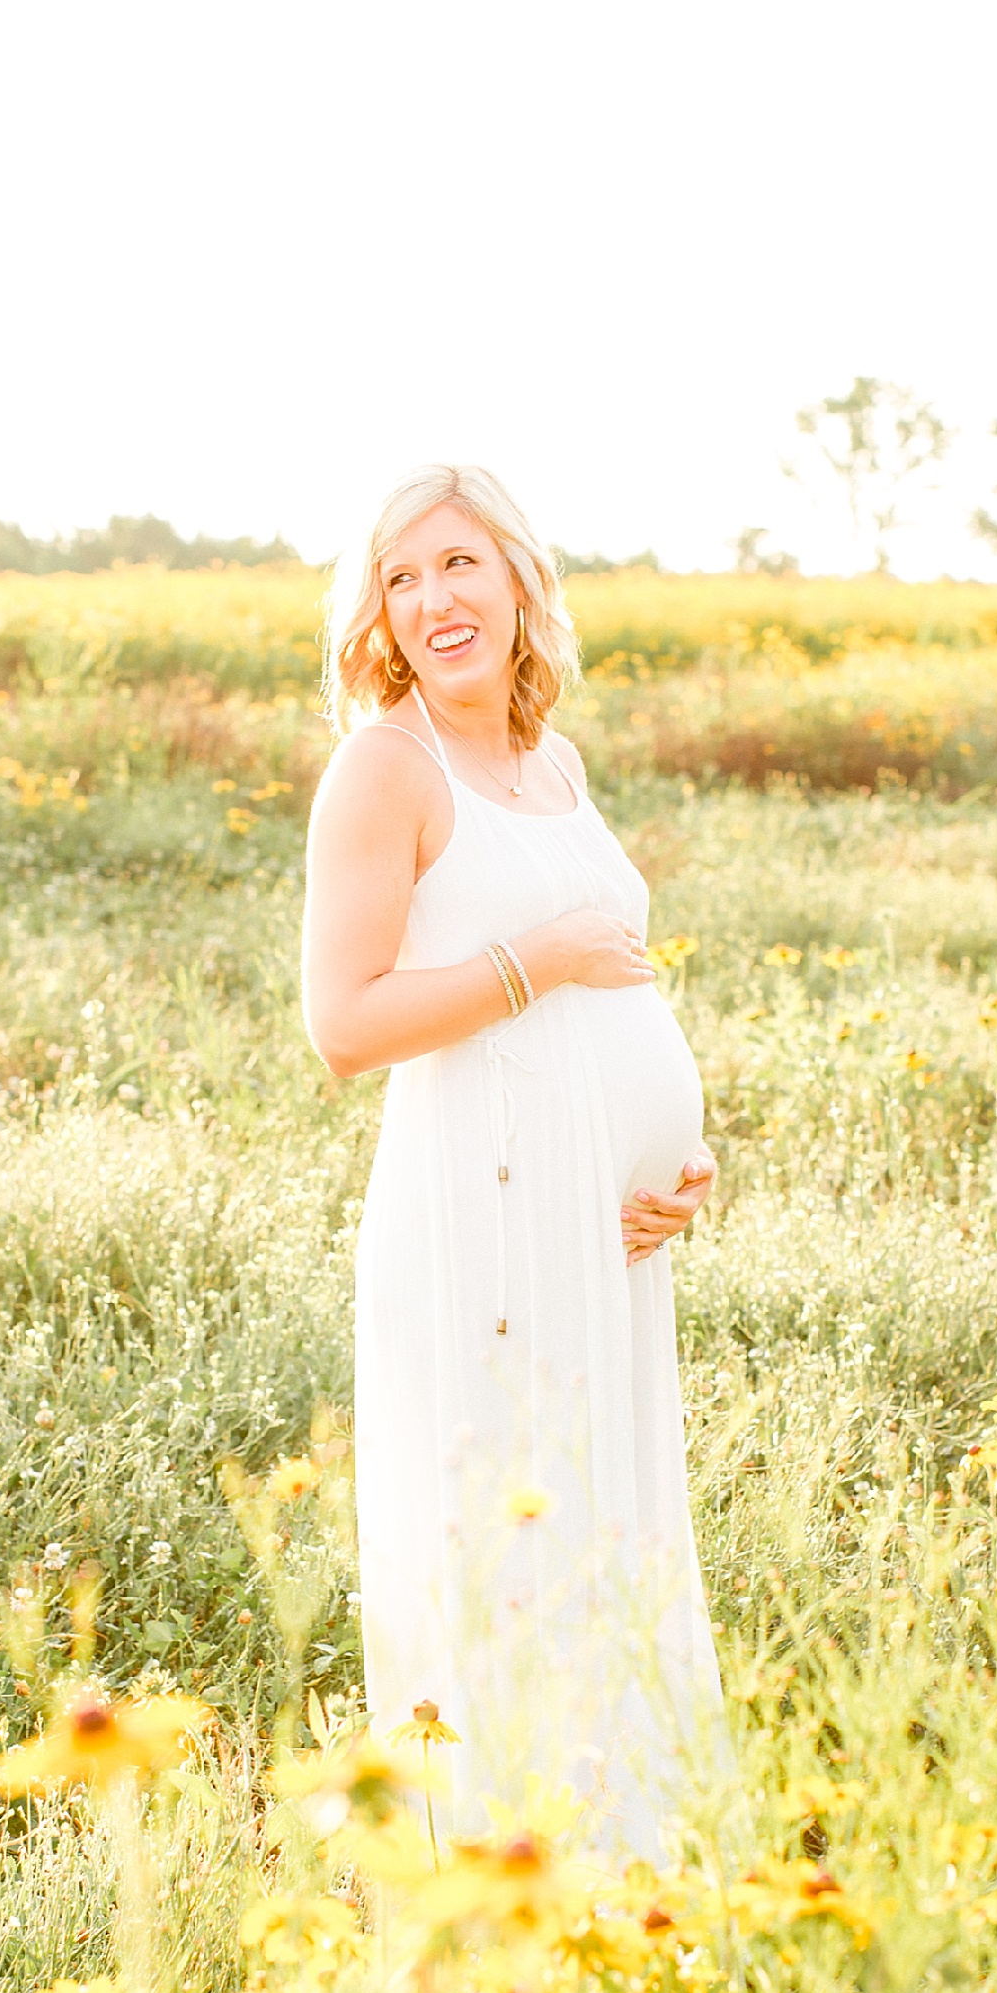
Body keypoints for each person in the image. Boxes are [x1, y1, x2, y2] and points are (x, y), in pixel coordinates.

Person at [301, 464, 728, 1854]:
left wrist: (667, 1163)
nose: (433, 600)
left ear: (519, 580)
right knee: (505, 1562)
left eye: (458, 566)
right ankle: (502, 1902)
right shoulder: (385, 767)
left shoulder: (556, 764)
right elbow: (345, 1024)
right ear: (380, 612)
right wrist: (531, 961)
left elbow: (620, 993)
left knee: (607, 1545)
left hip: (595, 1238)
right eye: (403, 578)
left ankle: (625, 1888)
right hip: (475, 1229)